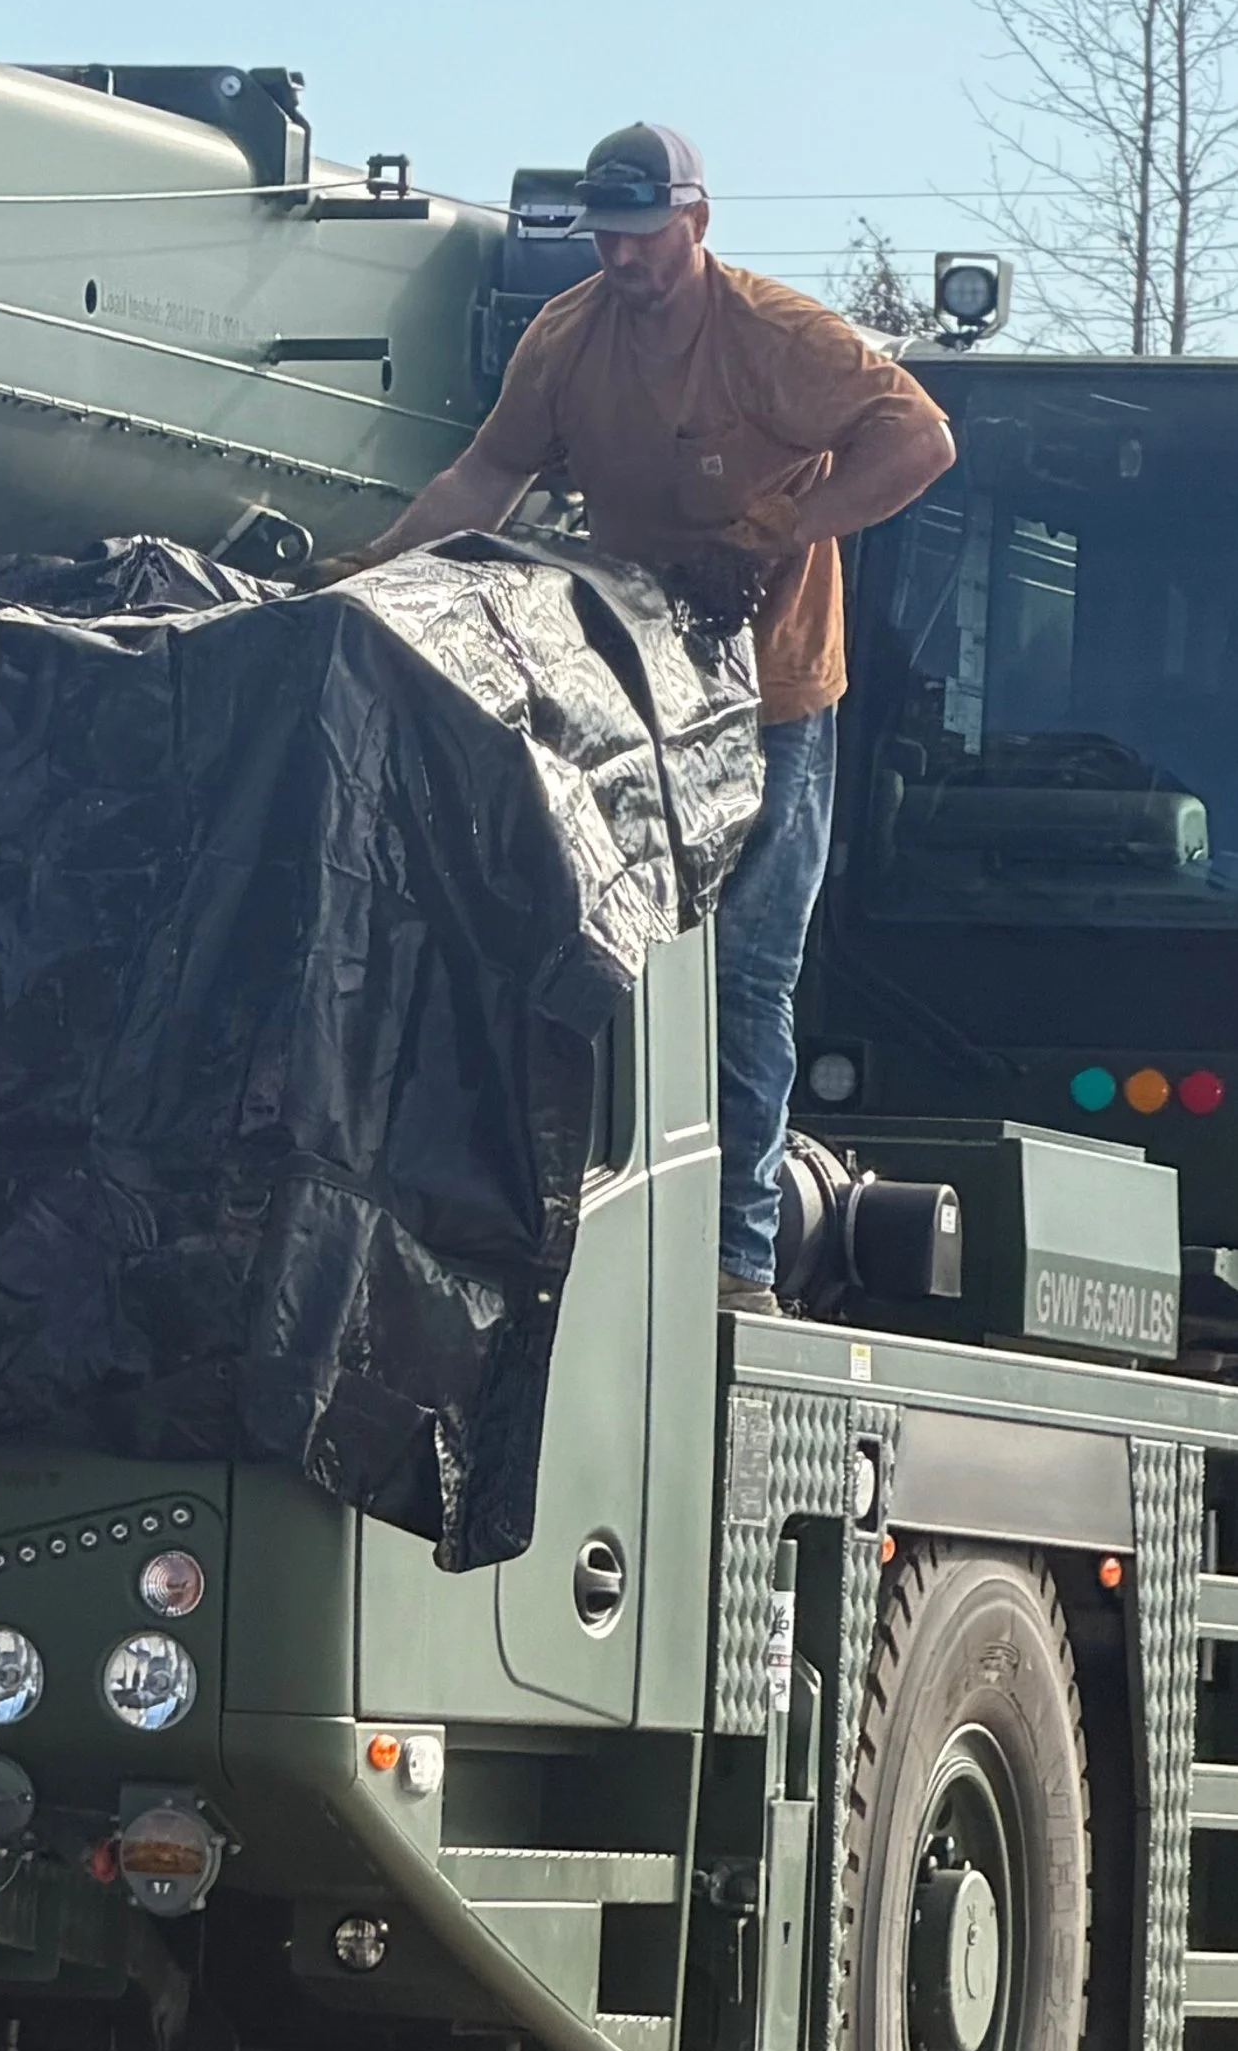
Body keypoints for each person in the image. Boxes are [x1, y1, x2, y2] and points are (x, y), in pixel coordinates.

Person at [350, 123, 956, 1312]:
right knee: (600, 953)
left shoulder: (774, 339)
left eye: (640, 236)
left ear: (693, 221)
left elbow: (919, 439)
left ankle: (736, 1261)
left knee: (745, 972)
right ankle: (576, 1230)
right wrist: (374, 568)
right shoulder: (567, 338)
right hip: (633, 699)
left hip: (770, 701)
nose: (621, 260)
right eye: (605, 237)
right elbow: (485, 477)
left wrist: (783, 531)